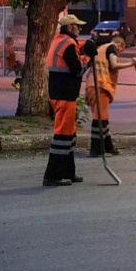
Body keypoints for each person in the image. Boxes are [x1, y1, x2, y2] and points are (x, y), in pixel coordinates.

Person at [43, 14, 92, 187]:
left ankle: (68, 172)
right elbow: (77, 70)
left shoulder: (60, 41)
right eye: (78, 26)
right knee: (62, 137)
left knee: (69, 136)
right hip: (64, 96)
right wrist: (89, 58)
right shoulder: (68, 44)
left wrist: (88, 46)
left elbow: (77, 50)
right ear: (70, 28)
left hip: (62, 95)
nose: (80, 29)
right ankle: (53, 175)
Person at [85, 36, 136, 157]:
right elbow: (113, 65)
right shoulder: (111, 48)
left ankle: (108, 147)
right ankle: (96, 150)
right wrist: (131, 63)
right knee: (100, 119)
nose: (119, 53)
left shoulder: (101, 49)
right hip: (101, 85)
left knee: (103, 119)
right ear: (120, 45)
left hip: (93, 85)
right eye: (121, 51)